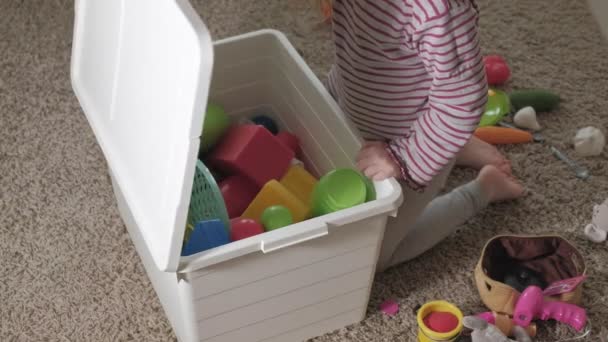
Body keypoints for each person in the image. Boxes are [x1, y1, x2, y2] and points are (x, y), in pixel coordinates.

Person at [325, 0, 525, 271]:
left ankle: (483, 189)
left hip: (405, 148)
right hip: (355, 99)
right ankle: (454, 142)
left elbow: (461, 101)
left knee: (371, 257)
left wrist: (403, 158)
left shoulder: (436, 11)